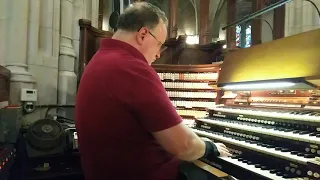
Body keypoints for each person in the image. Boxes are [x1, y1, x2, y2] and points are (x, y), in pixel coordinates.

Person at [75, 2, 231, 180]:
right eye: (160, 44)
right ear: (143, 34)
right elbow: (185, 146)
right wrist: (210, 147)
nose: (158, 55)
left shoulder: (99, 60)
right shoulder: (132, 68)